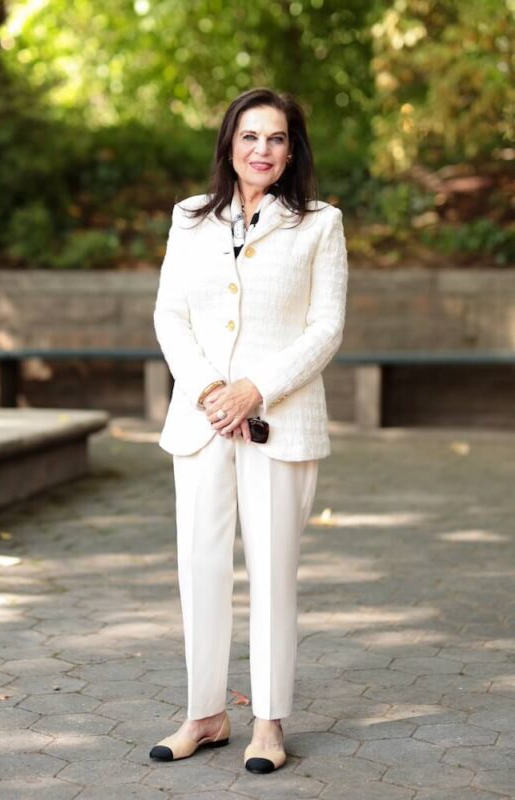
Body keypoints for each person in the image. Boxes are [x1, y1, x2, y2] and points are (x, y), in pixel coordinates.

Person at [150, 87, 348, 774]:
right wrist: (209, 389)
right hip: (202, 424)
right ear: (229, 146)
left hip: (279, 423)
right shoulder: (189, 219)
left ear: (293, 150)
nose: (262, 149)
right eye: (250, 136)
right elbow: (170, 314)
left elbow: (326, 327)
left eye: (276, 138)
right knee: (198, 569)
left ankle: (269, 723)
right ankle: (205, 714)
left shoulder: (320, 223)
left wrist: (256, 389)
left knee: (271, 575)